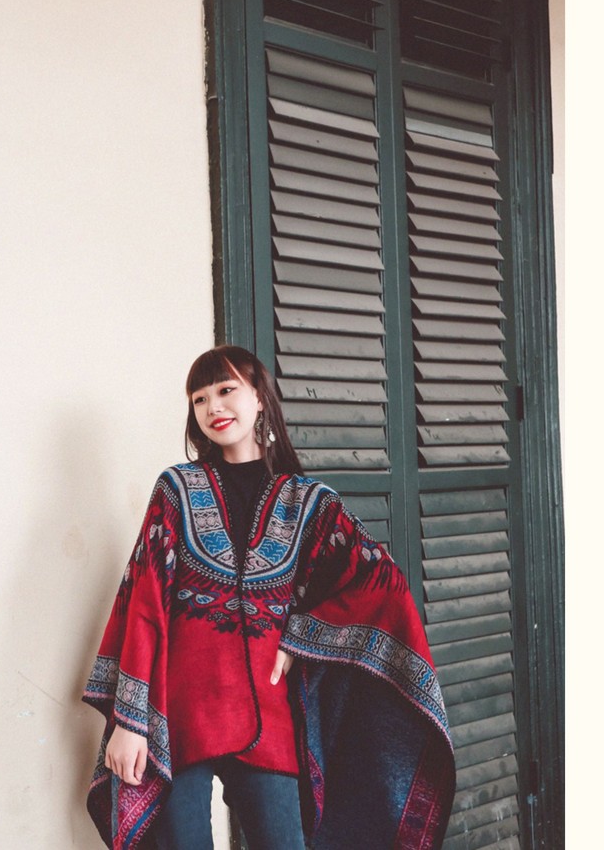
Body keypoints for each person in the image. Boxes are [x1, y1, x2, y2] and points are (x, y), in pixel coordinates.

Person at [83, 346, 455, 849]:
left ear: (260, 397)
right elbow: (144, 603)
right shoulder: (176, 489)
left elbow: (380, 580)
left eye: (226, 390)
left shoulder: (308, 502)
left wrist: (301, 635)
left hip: (268, 721)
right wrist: (130, 723)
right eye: (199, 398)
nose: (213, 406)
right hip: (177, 717)